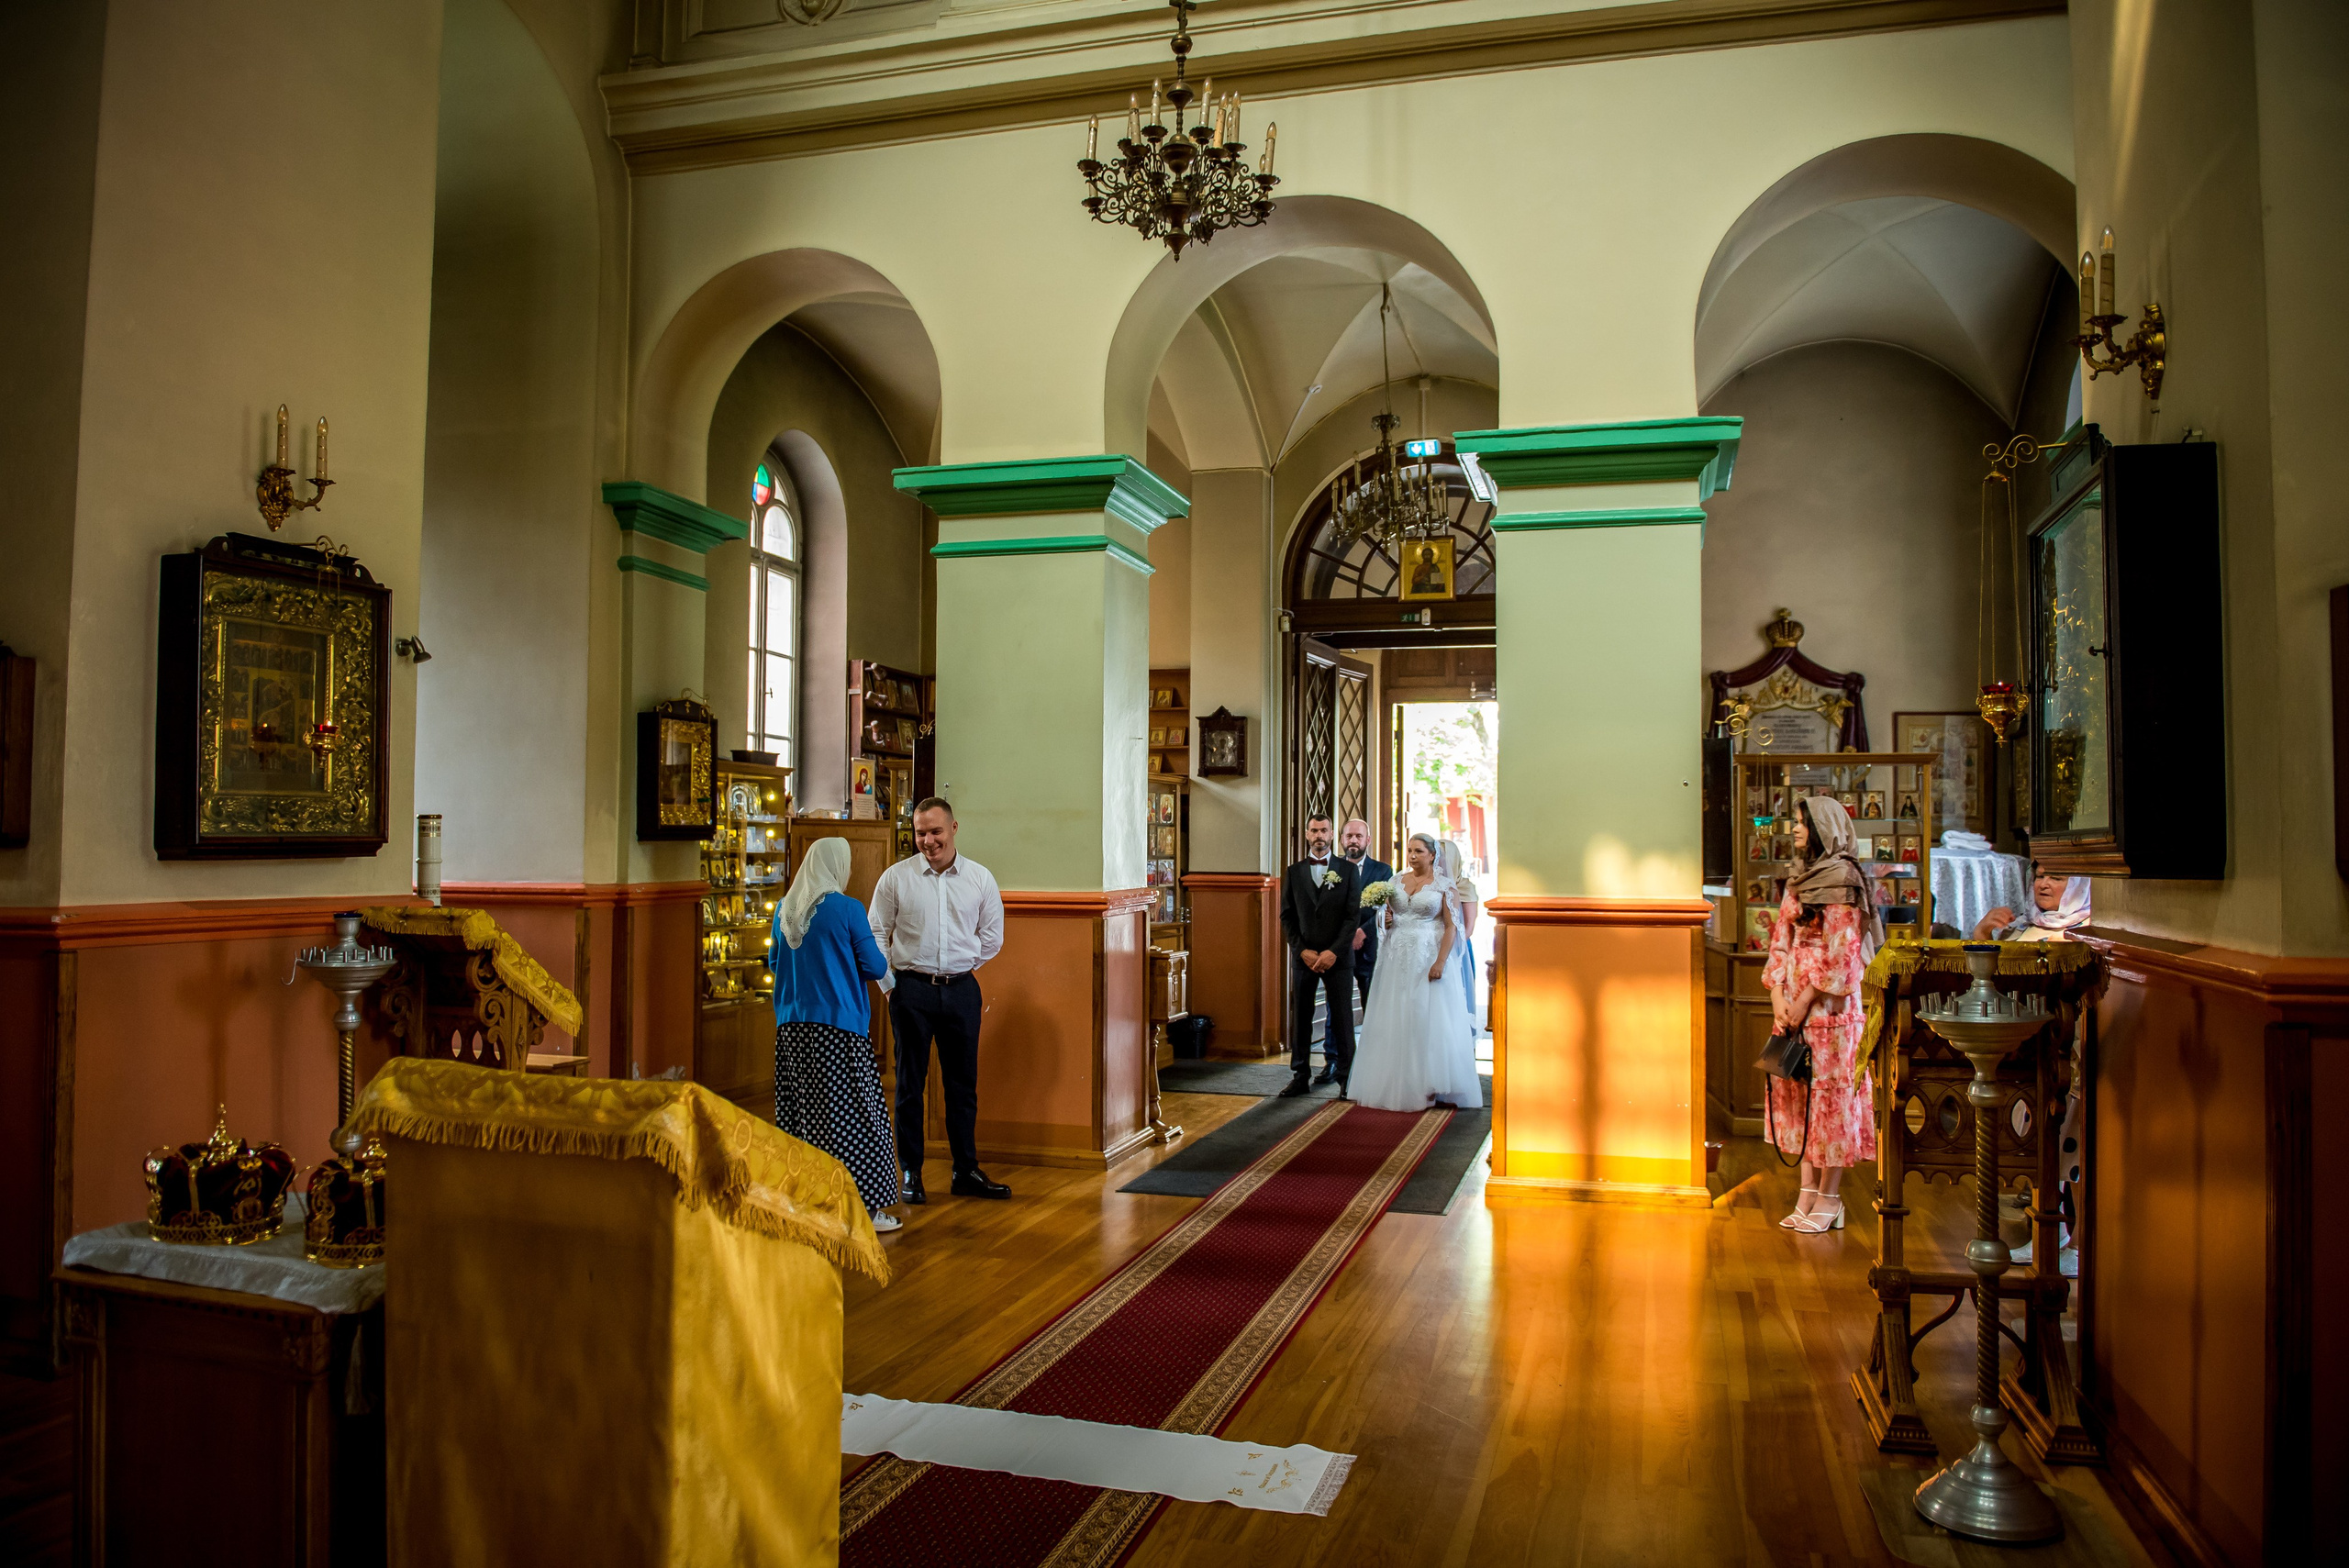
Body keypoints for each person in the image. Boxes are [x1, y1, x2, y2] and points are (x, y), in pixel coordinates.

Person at [869, 796, 1009, 1202]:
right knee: (909, 1085)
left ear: (953, 829)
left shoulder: (980, 878)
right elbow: (876, 931)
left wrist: (959, 967)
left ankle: (965, 1170)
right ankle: (910, 1173)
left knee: (962, 1086)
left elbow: (992, 937)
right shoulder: (896, 878)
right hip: (909, 990)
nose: (928, 841)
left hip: (962, 991)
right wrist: (890, 985)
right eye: (920, 833)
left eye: (935, 832)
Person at [765, 838, 902, 1231]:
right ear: (836, 866)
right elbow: (875, 966)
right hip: (838, 1031)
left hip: (791, 1030)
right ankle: (863, 1212)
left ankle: (809, 1202)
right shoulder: (847, 908)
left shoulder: (785, 908)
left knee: (803, 1118)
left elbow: (774, 962)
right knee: (857, 1119)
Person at [1765, 795, 1882, 1233]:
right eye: (1795, 821)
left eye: (1802, 822)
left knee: (1831, 1101)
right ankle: (1806, 1192)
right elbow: (1780, 942)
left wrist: (1803, 1001)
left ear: (1824, 828)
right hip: (1792, 1008)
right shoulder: (1798, 880)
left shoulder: (1844, 880)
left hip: (1830, 1012)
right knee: (1799, 1097)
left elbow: (1843, 955)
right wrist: (1778, 996)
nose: (1795, 828)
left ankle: (1830, 1198)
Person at [1352, 833, 1484, 1112]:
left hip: (1428, 955)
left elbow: (1452, 926)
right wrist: (1385, 919)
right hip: (1396, 956)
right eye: (1410, 851)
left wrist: (1441, 961)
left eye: (1419, 851)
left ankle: (1430, 1083)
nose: (1412, 856)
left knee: (1426, 1016)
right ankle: (1396, 1080)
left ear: (1433, 855)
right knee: (1397, 1014)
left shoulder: (1445, 886)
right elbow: (1387, 915)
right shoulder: (1395, 881)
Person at [1279, 814, 1359, 1098]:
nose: (1319, 835)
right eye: (1314, 830)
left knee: (1342, 1019)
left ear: (1332, 834)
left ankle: (1347, 1079)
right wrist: (1302, 951)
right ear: (1307, 834)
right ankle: (1300, 1076)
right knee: (1301, 1017)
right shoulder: (1294, 872)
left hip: (1337, 958)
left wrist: (1333, 952)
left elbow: (1352, 917)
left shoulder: (1348, 871)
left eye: (1324, 830)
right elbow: (1287, 916)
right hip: (1305, 958)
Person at [1331, 817, 1394, 1086]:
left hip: (1369, 947)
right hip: (1338, 948)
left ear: (1368, 840)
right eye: (1349, 836)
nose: (1353, 840)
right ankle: (1334, 1062)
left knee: (1372, 1004)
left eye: (1359, 836)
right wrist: (1344, 937)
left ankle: (1374, 1063)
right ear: (1342, 840)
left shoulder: (1383, 870)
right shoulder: (1331, 869)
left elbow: (1387, 908)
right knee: (1337, 1007)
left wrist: (1362, 932)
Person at [1971, 863, 2091, 941]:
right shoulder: (2020, 925)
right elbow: (1997, 969)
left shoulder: (2089, 932)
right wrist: (1982, 932)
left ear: (2080, 886)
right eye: (2040, 876)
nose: (2043, 885)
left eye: (2056, 878)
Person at [1435, 840, 1482, 1025]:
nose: (1439, 862)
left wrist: (1447, 944)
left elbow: (1468, 928)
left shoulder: (1465, 887)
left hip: (1457, 948)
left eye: (1443, 858)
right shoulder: (1429, 884)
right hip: (1429, 944)